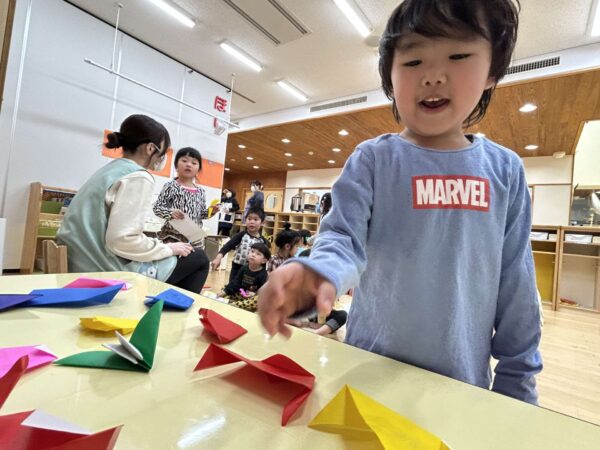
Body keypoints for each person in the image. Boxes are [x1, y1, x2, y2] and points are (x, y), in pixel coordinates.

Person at [258, 0, 542, 404]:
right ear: (389, 78)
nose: (433, 76)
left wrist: (518, 387)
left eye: (458, 56)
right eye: (413, 61)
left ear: (492, 72)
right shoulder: (373, 160)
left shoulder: (505, 170)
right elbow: (342, 238)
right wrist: (318, 274)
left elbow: (517, 288)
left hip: (460, 387)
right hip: (369, 372)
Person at [57, 114, 209, 293]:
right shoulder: (140, 177)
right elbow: (122, 240)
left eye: (194, 162)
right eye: (183, 160)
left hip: (79, 262)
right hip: (103, 270)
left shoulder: (110, 170)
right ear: (150, 148)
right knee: (199, 259)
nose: (189, 165)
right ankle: (162, 307)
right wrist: (166, 247)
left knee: (187, 255)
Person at [211, 207, 270, 282]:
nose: (252, 222)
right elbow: (227, 246)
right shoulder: (241, 235)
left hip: (253, 272)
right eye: (249, 219)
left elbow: (264, 260)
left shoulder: (263, 241)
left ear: (262, 222)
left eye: (255, 219)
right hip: (237, 269)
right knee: (233, 286)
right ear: (245, 220)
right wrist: (218, 258)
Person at [218, 242, 270, 312]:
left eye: (258, 254)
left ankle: (235, 304)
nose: (253, 255)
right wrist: (225, 291)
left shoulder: (263, 273)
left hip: (251, 297)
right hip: (241, 293)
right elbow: (236, 282)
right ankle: (232, 302)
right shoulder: (244, 268)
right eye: (252, 251)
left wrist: (255, 293)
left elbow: (262, 289)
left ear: (264, 261)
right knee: (226, 288)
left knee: (257, 300)